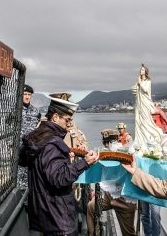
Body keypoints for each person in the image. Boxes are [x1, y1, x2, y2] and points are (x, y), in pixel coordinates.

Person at [19, 96, 99, 235]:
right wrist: (85, 162)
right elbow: (59, 179)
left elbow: (23, 160)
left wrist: (63, 159)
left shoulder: (35, 136)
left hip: (39, 213)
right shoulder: (54, 143)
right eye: (67, 120)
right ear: (55, 117)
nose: (69, 124)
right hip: (58, 218)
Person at [87, 129, 137, 236]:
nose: (106, 145)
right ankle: (93, 233)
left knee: (128, 233)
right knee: (91, 207)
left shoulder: (126, 151)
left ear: (115, 141)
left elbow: (132, 155)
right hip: (108, 194)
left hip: (124, 197)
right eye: (105, 142)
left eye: (108, 142)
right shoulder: (101, 152)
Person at [17, 84, 41, 188]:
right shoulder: (15, 110)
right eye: (25, 94)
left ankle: (28, 199)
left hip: (31, 148)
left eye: (29, 94)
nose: (27, 97)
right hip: (18, 148)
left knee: (31, 174)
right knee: (18, 174)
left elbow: (39, 128)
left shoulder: (36, 112)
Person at [132, 64, 163, 146]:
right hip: (139, 104)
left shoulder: (148, 82)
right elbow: (135, 91)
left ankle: (151, 136)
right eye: (140, 70)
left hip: (145, 103)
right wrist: (136, 86)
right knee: (138, 120)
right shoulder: (139, 81)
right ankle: (140, 139)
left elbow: (145, 89)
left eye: (142, 70)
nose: (140, 71)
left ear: (145, 72)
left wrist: (139, 82)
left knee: (146, 120)